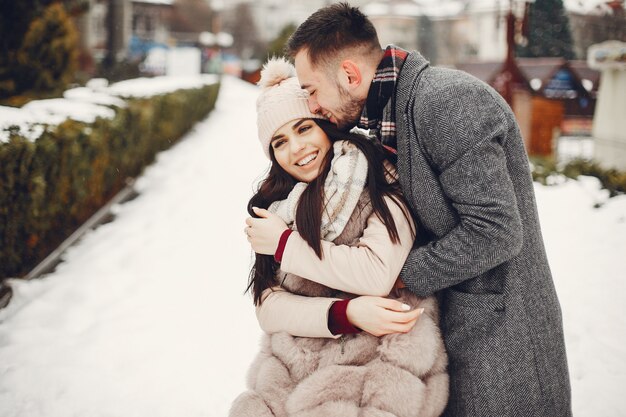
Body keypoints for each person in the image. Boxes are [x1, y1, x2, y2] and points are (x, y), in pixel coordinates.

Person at [249, 3, 572, 417]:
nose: (310, 104)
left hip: (498, 335)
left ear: (349, 75)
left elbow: (496, 231)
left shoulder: (447, 102)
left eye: (311, 89)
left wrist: (389, 275)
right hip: (448, 330)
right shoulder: (382, 122)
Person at [229, 58, 449, 417]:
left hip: (376, 367)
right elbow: (268, 308)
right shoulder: (279, 207)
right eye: (280, 142)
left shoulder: (380, 181)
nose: (297, 149)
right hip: (293, 370)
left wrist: (285, 244)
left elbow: (375, 273)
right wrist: (345, 313)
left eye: (303, 129)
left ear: (325, 127)